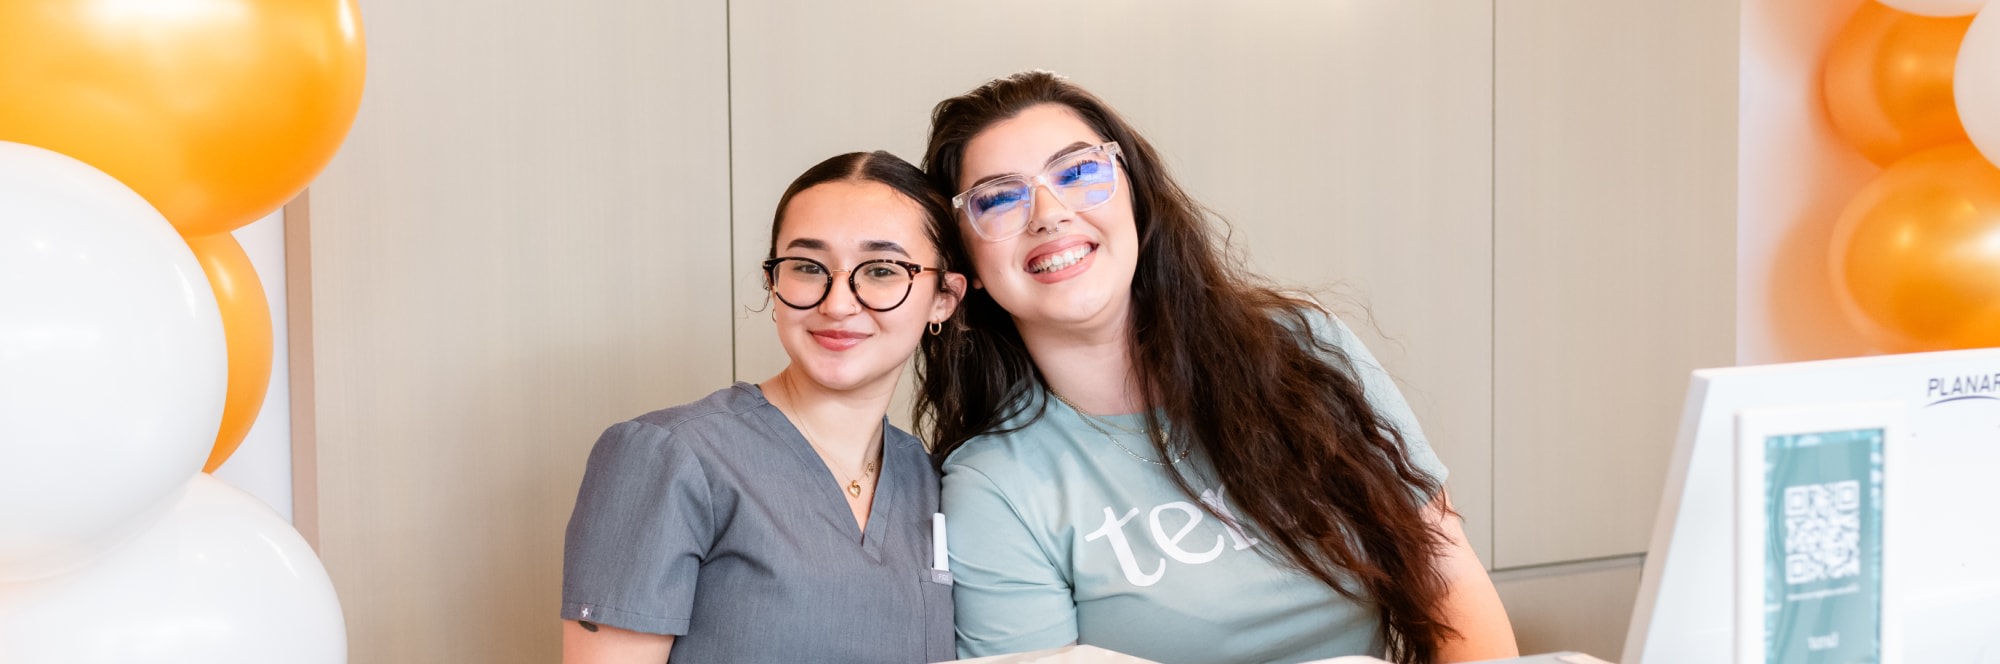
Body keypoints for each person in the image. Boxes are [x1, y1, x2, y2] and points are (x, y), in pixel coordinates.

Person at [914, 71, 1518, 664]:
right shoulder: (994, 485)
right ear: (965, 259)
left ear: (1136, 194)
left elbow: (1445, 569)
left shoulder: (1301, 349)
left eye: (1078, 171)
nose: (1048, 212)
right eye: (998, 197)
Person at [560, 151, 964, 663]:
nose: (837, 302)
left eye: (881, 270)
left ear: (943, 299)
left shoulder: (936, 484)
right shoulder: (664, 458)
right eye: (806, 267)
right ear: (773, 282)